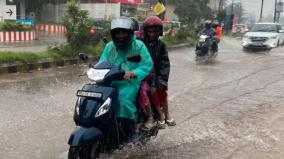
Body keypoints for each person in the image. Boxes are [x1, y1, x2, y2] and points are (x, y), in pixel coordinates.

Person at [99, 17, 153, 141]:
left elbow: (146, 64)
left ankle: (130, 133)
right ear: (113, 34)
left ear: (130, 33)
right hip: (110, 83)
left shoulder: (138, 45)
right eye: (118, 32)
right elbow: (102, 62)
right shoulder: (109, 47)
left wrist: (134, 73)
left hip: (129, 83)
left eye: (123, 32)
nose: (120, 36)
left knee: (123, 102)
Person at [143, 16, 176, 129]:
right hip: (143, 73)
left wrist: (162, 79)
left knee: (159, 89)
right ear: (146, 32)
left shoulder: (161, 45)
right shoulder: (141, 44)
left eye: (155, 32)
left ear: (159, 32)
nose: (152, 34)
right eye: (150, 31)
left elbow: (164, 63)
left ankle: (164, 114)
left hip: (156, 74)